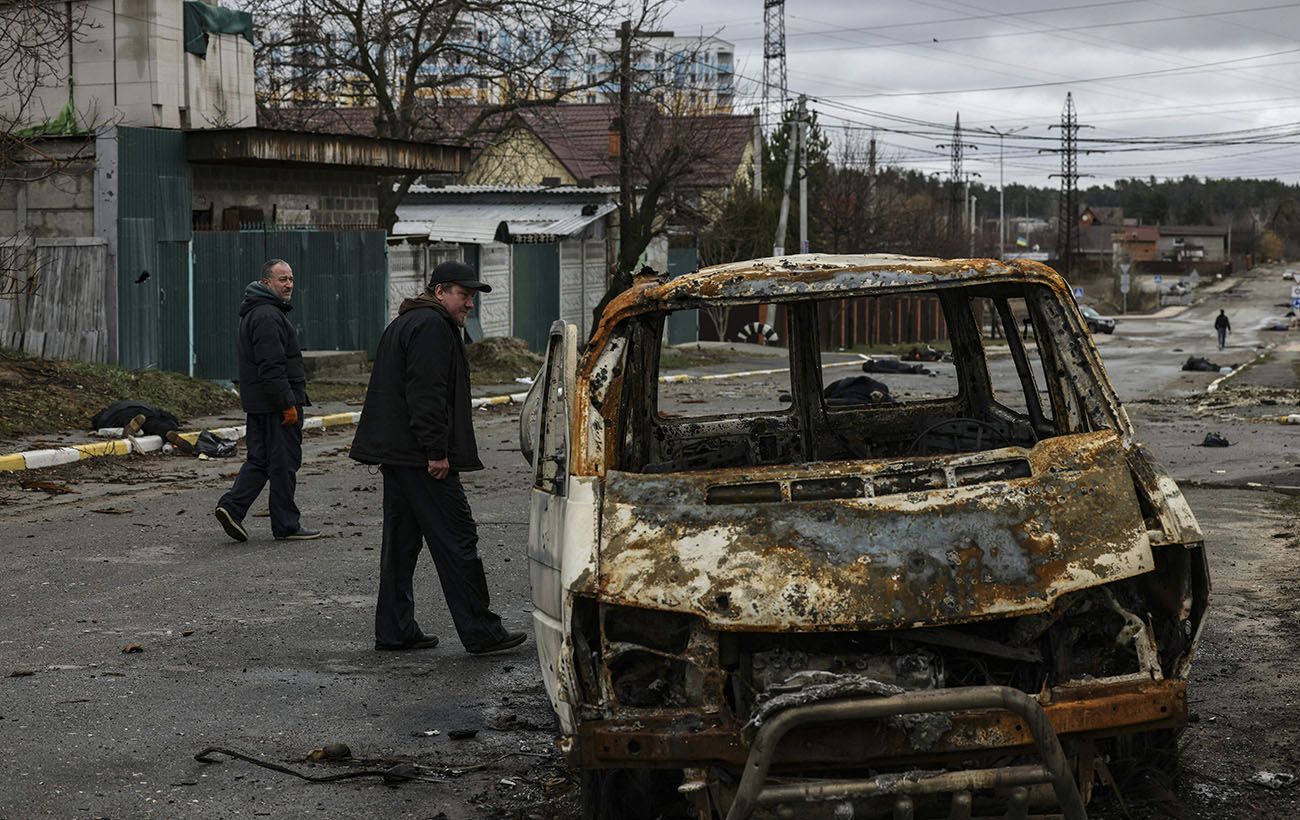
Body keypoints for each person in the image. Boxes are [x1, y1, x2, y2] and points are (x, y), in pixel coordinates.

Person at [349, 260, 526, 655]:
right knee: (458, 538)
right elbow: (426, 393)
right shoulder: (431, 326)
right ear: (441, 290)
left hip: (399, 456)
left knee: (401, 545)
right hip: (420, 458)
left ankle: (395, 630)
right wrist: (436, 451)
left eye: (471, 297)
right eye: (464, 296)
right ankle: (481, 631)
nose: (469, 305)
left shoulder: (409, 322)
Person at [214, 259, 320, 543]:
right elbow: (271, 366)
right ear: (265, 283)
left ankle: (231, 508)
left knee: (260, 460)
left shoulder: (261, 313)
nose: (288, 285)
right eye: (282, 279)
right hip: (276, 405)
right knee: (284, 463)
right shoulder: (267, 316)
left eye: (291, 279)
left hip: (261, 403)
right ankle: (286, 524)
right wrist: (287, 403)